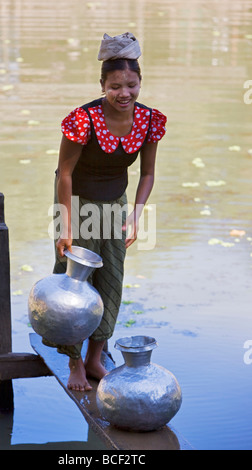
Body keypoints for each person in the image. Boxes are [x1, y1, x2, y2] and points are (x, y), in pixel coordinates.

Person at [53, 32, 167, 391]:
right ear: (102, 84)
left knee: (112, 281)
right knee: (75, 284)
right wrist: (64, 228)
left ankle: (94, 358)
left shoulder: (150, 120)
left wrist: (135, 215)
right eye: (115, 86)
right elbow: (64, 175)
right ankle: (73, 364)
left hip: (116, 205)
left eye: (131, 85)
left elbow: (147, 173)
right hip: (78, 203)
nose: (124, 94)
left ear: (140, 82)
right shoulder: (82, 119)